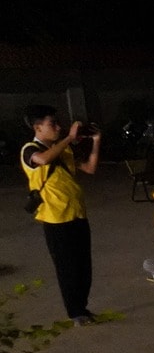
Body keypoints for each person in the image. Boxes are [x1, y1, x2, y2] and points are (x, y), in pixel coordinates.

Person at [20, 108, 100, 322]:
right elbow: (43, 160)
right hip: (55, 218)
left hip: (77, 214)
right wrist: (69, 139)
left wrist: (96, 140)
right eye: (52, 124)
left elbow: (90, 168)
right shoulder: (29, 149)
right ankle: (76, 312)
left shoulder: (63, 150)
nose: (57, 127)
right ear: (38, 128)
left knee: (84, 266)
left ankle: (82, 308)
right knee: (67, 268)